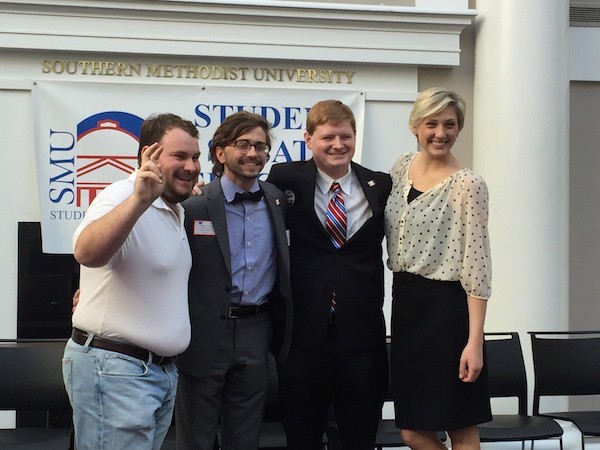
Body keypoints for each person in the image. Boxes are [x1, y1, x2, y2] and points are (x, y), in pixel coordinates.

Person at [63, 113, 201, 449]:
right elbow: (86, 251)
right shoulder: (123, 194)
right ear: (148, 156)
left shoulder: (174, 209)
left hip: (156, 375)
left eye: (196, 157)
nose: (192, 166)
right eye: (179, 156)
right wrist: (139, 199)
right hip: (117, 371)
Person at [267, 99, 391, 450]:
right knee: (302, 437)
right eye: (328, 137)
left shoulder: (380, 185)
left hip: (362, 337)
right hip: (304, 336)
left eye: (345, 136)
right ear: (308, 139)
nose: (338, 144)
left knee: (359, 436)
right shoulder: (285, 178)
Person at [174, 110, 293, 450]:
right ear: (220, 152)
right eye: (243, 144)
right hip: (205, 333)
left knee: (245, 436)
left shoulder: (277, 200)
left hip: (257, 331)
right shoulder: (193, 206)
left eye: (260, 146)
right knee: (195, 437)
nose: (253, 153)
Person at [384, 87, 492, 450]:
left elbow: (478, 267)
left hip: (448, 313)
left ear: (459, 128)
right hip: (407, 309)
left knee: (460, 426)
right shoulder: (400, 168)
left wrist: (474, 342)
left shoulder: (468, 184)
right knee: (413, 430)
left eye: (450, 124)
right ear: (415, 126)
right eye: (432, 123)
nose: (440, 133)